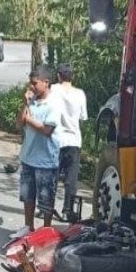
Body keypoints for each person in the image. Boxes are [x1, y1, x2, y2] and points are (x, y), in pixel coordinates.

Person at [14, 65, 61, 235]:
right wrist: (25, 105)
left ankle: (46, 230)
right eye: (30, 83)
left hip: (45, 161)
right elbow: (19, 124)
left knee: (46, 199)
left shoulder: (53, 104)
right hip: (28, 157)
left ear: (46, 82)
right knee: (28, 196)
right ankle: (28, 227)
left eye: (35, 83)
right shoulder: (31, 102)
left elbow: (47, 130)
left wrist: (29, 119)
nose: (31, 87)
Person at [50, 64, 87, 222]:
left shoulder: (53, 90)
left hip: (56, 139)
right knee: (71, 180)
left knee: (52, 176)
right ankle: (67, 210)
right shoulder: (80, 94)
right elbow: (83, 117)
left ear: (58, 76)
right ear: (73, 76)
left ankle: (47, 208)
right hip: (74, 140)